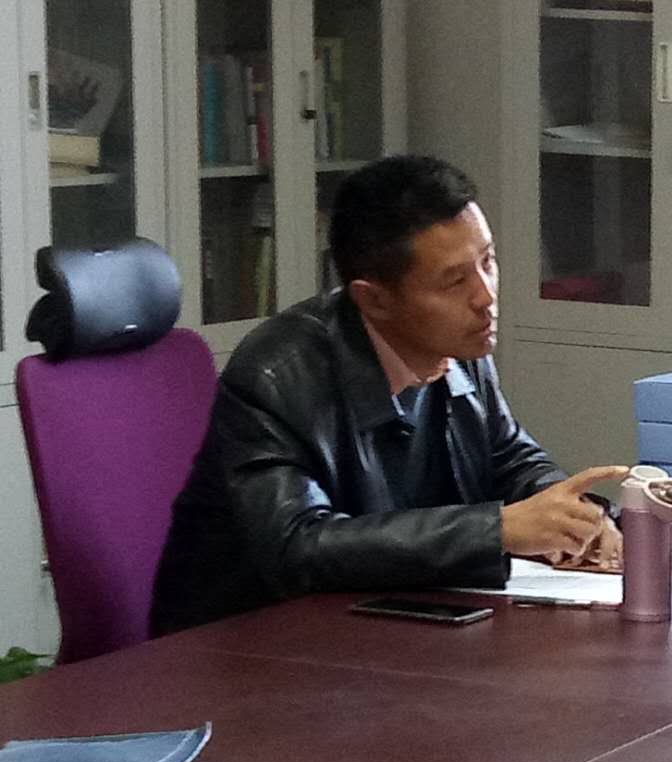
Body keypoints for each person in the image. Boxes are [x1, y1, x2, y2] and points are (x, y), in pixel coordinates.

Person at [151, 156, 628, 635]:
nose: (485, 297)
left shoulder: (459, 343)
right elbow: (297, 546)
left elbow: (509, 459)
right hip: (246, 646)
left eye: (487, 262)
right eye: (455, 281)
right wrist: (497, 529)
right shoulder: (276, 376)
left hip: (385, 625)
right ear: (374, 299)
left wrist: (573, 515)